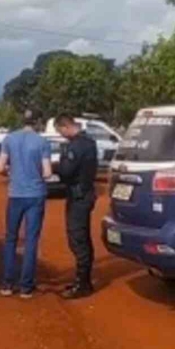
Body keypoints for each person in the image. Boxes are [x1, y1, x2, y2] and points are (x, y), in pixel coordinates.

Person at [0, 110, 53, 298]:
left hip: (16, 193)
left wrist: (11, 174)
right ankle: (26, 286)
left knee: (11, 238)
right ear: (37, 123)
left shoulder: (9, 139)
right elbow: (46, 172)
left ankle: (7, 284)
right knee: (31, 240)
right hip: (35, 194)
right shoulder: (42, 142)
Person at [53, 115, 99, 299]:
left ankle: (83, 284)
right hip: (84, 194)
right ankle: (83, 280)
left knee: (78, 239)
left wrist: (53, 166)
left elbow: (66, 171)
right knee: (82, 238)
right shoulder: (88, 142)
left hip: (79, 196)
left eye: (60, 131)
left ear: (65, 127)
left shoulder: (76, 146)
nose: (61, 135)